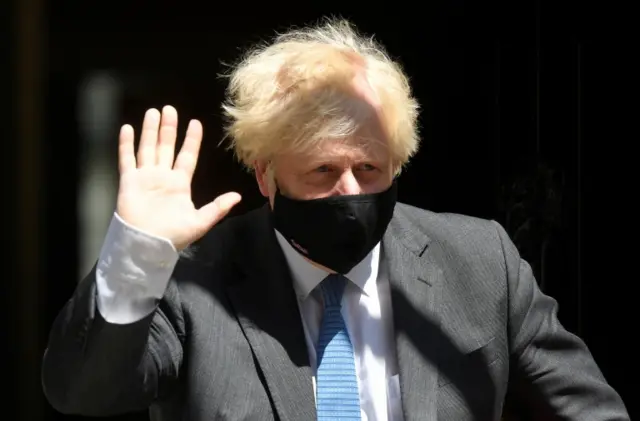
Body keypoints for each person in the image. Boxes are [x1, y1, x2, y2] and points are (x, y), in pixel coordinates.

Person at [41, 19, 628, 421]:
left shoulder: (480, 263)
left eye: (370, 169)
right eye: (322, 171)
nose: (349, 191)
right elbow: (83, 390)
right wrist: (139, 254)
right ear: (265, 175)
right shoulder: (196, 283)